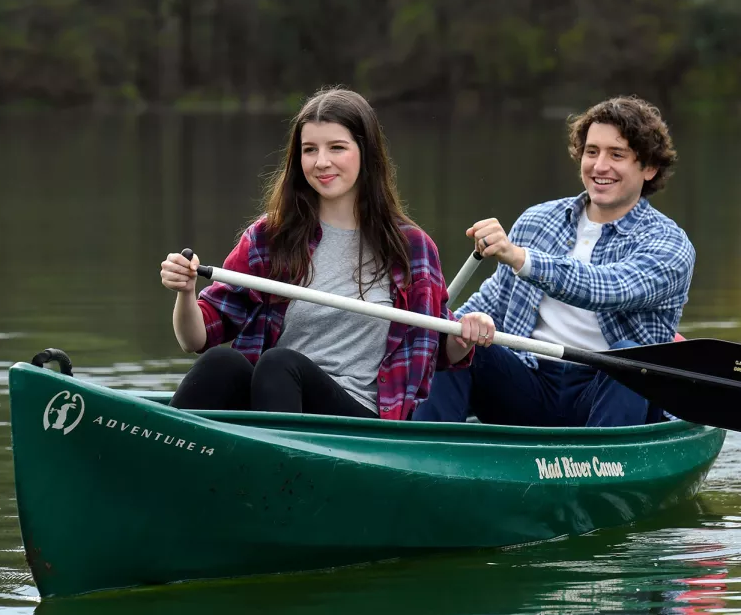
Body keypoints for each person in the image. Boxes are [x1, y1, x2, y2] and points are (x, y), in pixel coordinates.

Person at [160, 87, 493, 419]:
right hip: (273, 401)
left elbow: (439, 350)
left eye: (337, 147)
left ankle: (280, 466)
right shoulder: (269, 237)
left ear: (366, 153)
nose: (321, 162)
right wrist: (187, 291)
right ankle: (162, 449)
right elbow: (195, 339)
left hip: (357, 419)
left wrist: (467, 334)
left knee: (280, 363)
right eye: (309, 150)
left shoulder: (411, 247)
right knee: (222, 362)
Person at [413, 95, 694, 428]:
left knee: (631, 358)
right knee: (462, 335)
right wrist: (448, 328)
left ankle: (599, 471)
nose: (599, 166)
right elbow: (494, 302)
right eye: (592, 152)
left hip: (608, 398)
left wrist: (520, 257)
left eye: (616, 154)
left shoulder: (669, 244)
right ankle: (426, 453)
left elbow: (605, 287)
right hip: (528, 385)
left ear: (649, 168)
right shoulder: (537, 220)